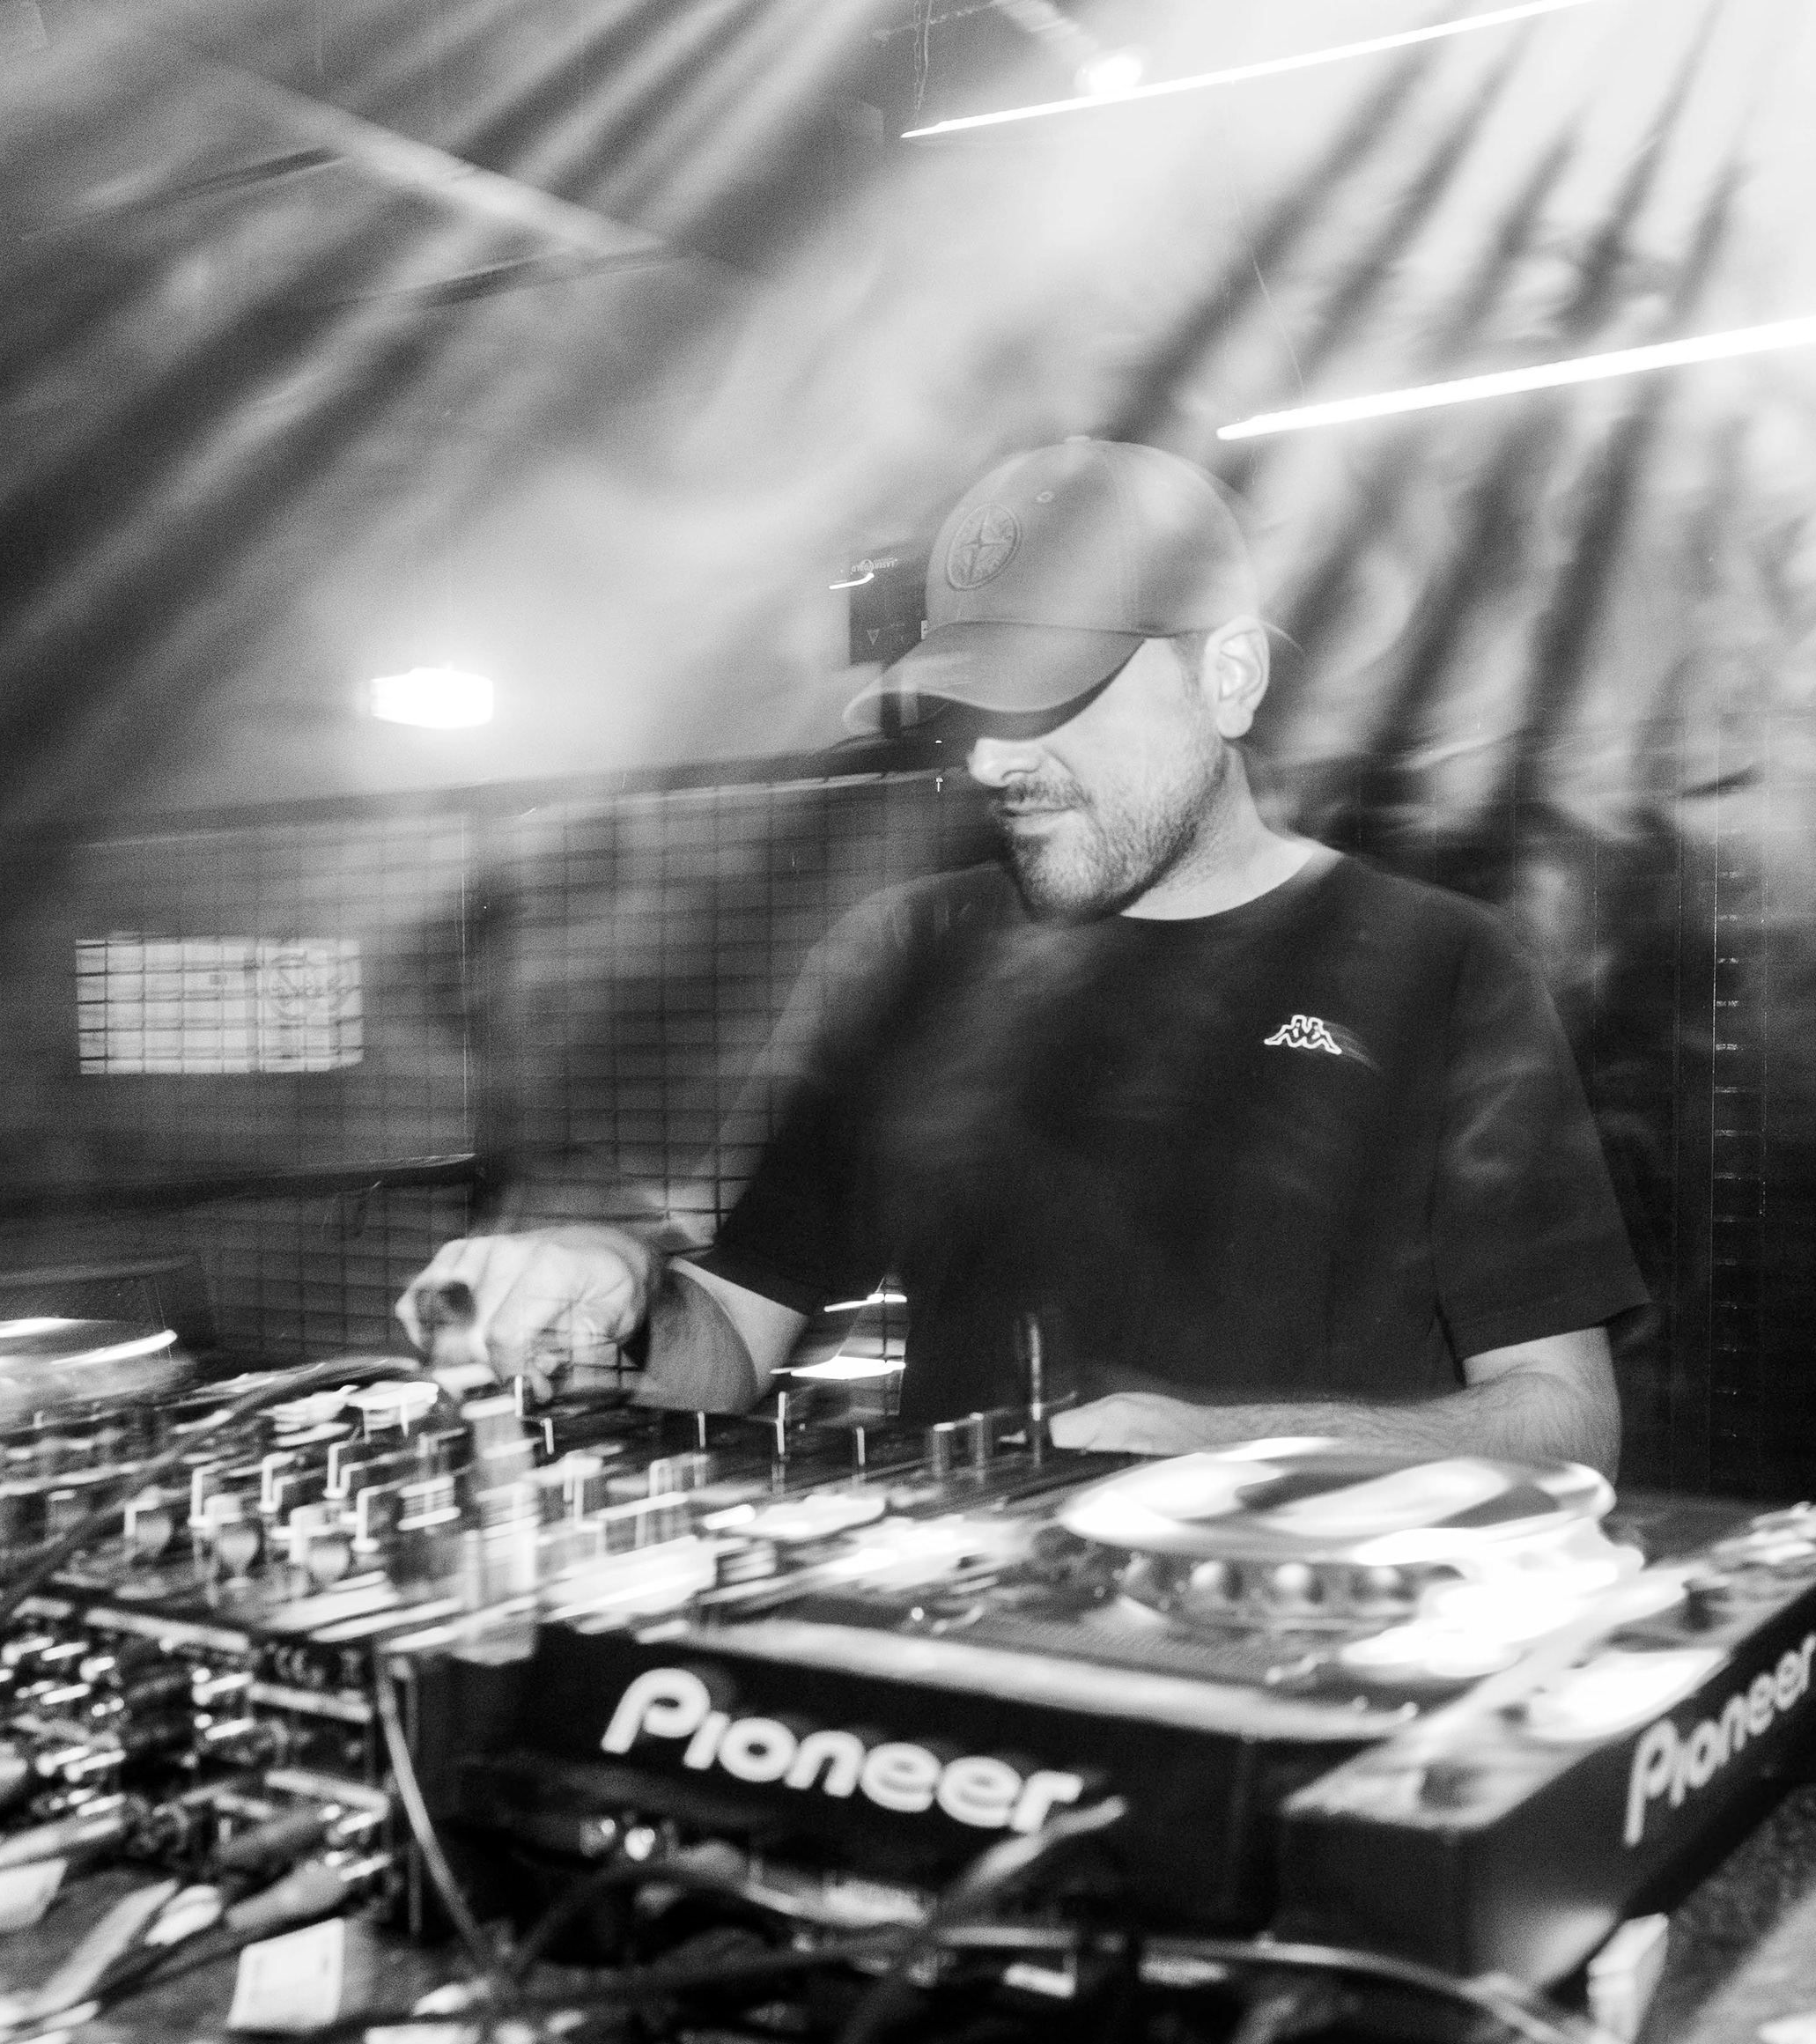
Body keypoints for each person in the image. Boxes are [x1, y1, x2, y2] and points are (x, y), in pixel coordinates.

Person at [399, 439, 1645, 1472]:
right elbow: (730, 1341)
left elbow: (1566, 1422)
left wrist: (1230, 1448)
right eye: (977, 709)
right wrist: (613, 1297)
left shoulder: (1440, 968)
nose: (994, 759)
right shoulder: (907, 958)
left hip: (1315, 1644)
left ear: (1228, 676)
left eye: (1052, 693)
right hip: (970, 1648)